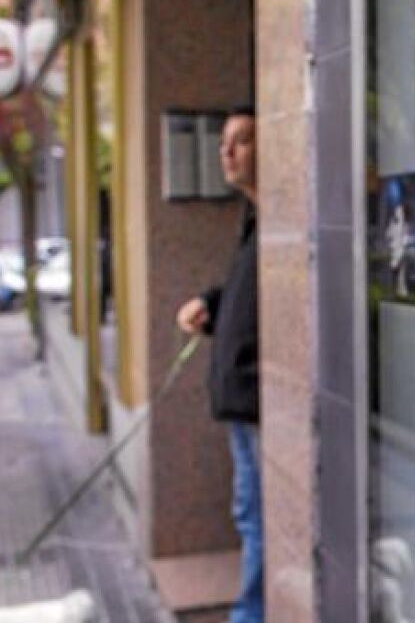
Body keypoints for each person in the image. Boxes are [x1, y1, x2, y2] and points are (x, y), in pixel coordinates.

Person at [174, 106, 262, 623]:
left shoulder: (279, 219)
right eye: (224, 141)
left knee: (258, 519)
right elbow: (247, 298)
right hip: (241, 404)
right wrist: (211, 305)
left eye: (242, 140)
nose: (226, 151)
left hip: (259, 404)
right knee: (249, 515)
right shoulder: (252, 220)